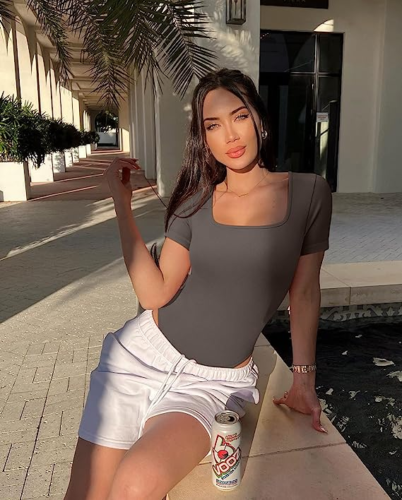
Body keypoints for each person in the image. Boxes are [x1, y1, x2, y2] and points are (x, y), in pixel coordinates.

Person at [64, 68, 332, 500]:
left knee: (134, 484)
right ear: (203, 139)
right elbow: (155, 293)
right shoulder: (196, 202)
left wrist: (303, 379)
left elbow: (304, 292)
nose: (230, 134)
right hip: (139, 358)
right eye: (213, 125)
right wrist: (122, 206)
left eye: (239, 116)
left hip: (212, 384)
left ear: (259, 119)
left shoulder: (309, 193)